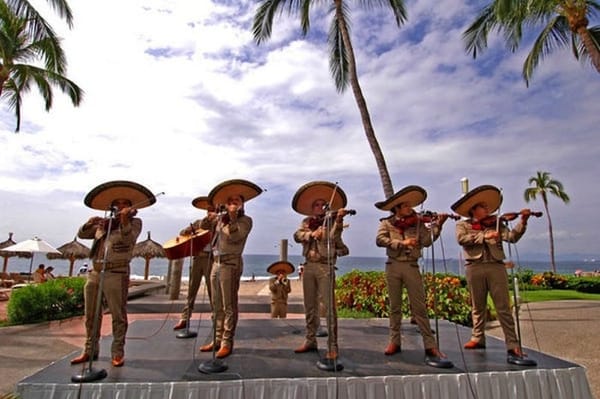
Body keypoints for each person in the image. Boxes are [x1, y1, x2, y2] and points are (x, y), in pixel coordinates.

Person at [71, 180, 155, 368]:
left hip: (116, 272)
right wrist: (89, 223)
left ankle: (118, 352)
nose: (121, 207)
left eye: (125, 204)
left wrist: (124, 219)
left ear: (131, 207)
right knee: (91, 314)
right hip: (95, 271)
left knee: (118, 314)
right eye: (118, 204)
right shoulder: (105, 224)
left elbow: (128, 236)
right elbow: (83, 234)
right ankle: (89, 349)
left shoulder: (135, 223)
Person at [451, 184, 536, 366]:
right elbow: (461, 240)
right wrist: (485, 236)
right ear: (474, 210)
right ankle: (477, 337)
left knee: (503, 307)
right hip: (474, 266)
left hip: (496, 266)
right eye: (483, 207)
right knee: (477, 305)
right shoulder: (463, 224)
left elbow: (512, 237)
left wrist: (523, 221)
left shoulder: (498, 223)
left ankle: (512, 345)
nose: (488, 209)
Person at [375, 185, 452, 368]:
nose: (411, 209)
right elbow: (380, 240)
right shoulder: (387, 223)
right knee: (395, 307)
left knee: (419, 307)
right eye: (407, 206)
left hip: (411, 266)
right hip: (393, 266)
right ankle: (394, 341)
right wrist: (401, 243)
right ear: (398, 208)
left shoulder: (417, 223)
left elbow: (426, 241)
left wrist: (438, 227)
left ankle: (430, 346)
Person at [198, 179, 262, 359]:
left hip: (231, 264)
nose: (233, 205)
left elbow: (235, 236)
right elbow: (203, 227)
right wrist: (210, 216)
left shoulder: (245, 221)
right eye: (230, 201)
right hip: (216, 263)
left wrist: (232, 217)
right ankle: (217, 339)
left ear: (242, 205)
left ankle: (227, 342)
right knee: (216, 304)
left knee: (229, 306)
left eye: (237, 202)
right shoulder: (220, 220)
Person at [292, 181, 350, 361]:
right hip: (308, 265)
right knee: (310, 306)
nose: (319, 207)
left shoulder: (333, 222)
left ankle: (332, 346)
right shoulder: (307, 222)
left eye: (323, 204)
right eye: (316, 205)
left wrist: (338, 220)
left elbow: (335, 237)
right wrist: (311, 234)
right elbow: (297, 235)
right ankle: (310, 340)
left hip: (325, 266)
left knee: (329, 308)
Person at [173, 196, 215, 331]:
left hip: (210, 259)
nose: (210, 212)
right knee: (192, 290)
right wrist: (188, 231)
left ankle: (216, 318)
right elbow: (182, 232)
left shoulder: (219, 223)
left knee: (212, 291)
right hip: (197, 258)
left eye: (212, 210)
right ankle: (185, 318)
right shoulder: (199, 222)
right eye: (208, 210)